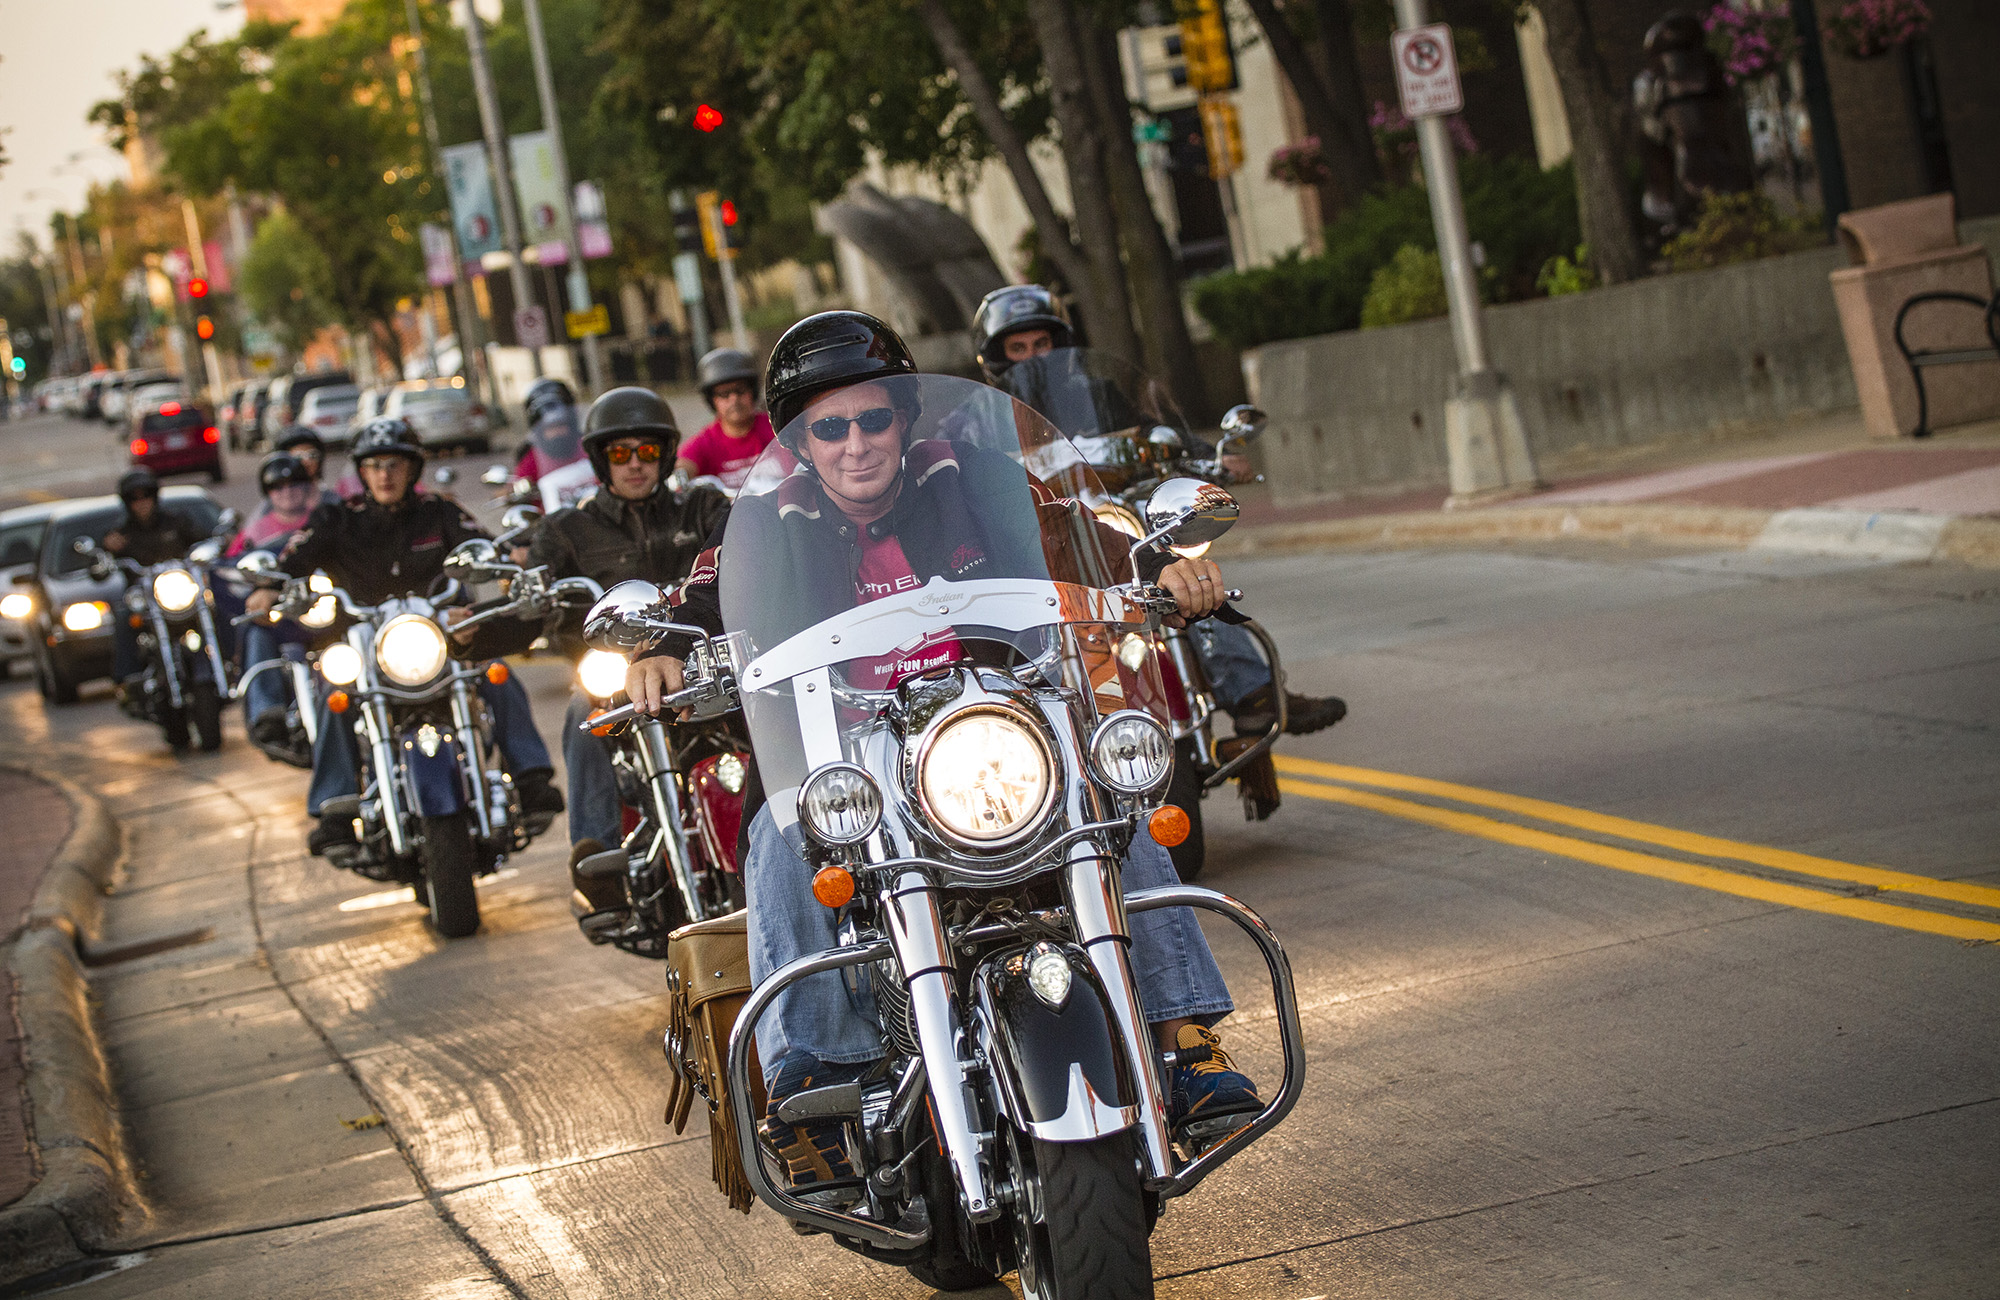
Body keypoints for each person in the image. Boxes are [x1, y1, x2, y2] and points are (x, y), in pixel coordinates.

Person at [625, 312, 1261, 1189]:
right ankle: (816, 1071)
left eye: (873, 418)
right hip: (856, 762)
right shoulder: (767, 523)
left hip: (994, 730)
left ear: (904, 417)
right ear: (803, 443)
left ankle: (1182, 1038)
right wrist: (660, 646)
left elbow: (1085, 528)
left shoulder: (978, 481)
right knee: (777, 828)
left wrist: (1162, 567)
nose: (856, 443)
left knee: (1107, 791)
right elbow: (702, 593)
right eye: (830, 427)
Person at [971, 285, 1347, 765]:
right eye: (1017, 348)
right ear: (995, 358)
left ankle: (1253, 690)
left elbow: (1156, 431)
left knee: (1181, 573)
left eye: (1040, 344)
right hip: (1035, 536)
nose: (1031, 357)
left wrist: (1206, 454)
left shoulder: (1097, 394)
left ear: (1059, 346)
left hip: (1104, 516)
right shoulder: (977, 420)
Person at [246, 418, 565, 857]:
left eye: (394, 463)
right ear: (361, 471)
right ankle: (335, 806)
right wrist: (268, 586)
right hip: (363, 638)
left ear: (412, 468)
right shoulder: (337, 517)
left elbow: (483, 546)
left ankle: (532, 780)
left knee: (494, 671)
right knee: (333, 689)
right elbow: (293, 559)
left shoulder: (440, 511)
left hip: (438, 635)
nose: (384, 474)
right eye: (374, 465)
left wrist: (513, 563)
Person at [524, 386, 730, 904]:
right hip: (615, 672)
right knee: (581, 710)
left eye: (646, 451)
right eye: (620, 453)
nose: (635, 464)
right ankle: (598, 857)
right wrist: (525, 605)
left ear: (663, 455)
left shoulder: (703, 506)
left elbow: (742, 552)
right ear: (600, 459)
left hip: (704, 664)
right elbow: (535, 594)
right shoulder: (567, 529)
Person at [230, 453, 320, 751]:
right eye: (278, 487)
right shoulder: (255, 531)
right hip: (282, 612)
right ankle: (266, 710)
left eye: (295, 484)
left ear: (308, 487)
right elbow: (231, 566)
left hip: (324, 605)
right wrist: (260, 591)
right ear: (269, 494)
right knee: (255, 630)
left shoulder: (326, 517)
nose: (288, 492)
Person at [104, 468, 204, 685]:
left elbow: (203, 540)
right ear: (126, 503)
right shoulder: (121, 534)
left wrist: (220, 544)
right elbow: (99, 563)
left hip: (180, 590)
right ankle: (128, 676)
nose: (142, 503)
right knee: (123, 615)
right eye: (134, 498)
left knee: (215, 604)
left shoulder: (176, 522)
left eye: (146, 495)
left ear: (155, 496)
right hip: (144, 596)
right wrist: (107, 550)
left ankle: (232, 657)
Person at [674, 347, 777, 491]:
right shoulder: (705, 442)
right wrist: (680, 477)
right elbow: (684, 464)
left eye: (740, 390)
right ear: (712, 400)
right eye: (724, 394)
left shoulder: (776, 428)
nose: (734, 399)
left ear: (752, 392)